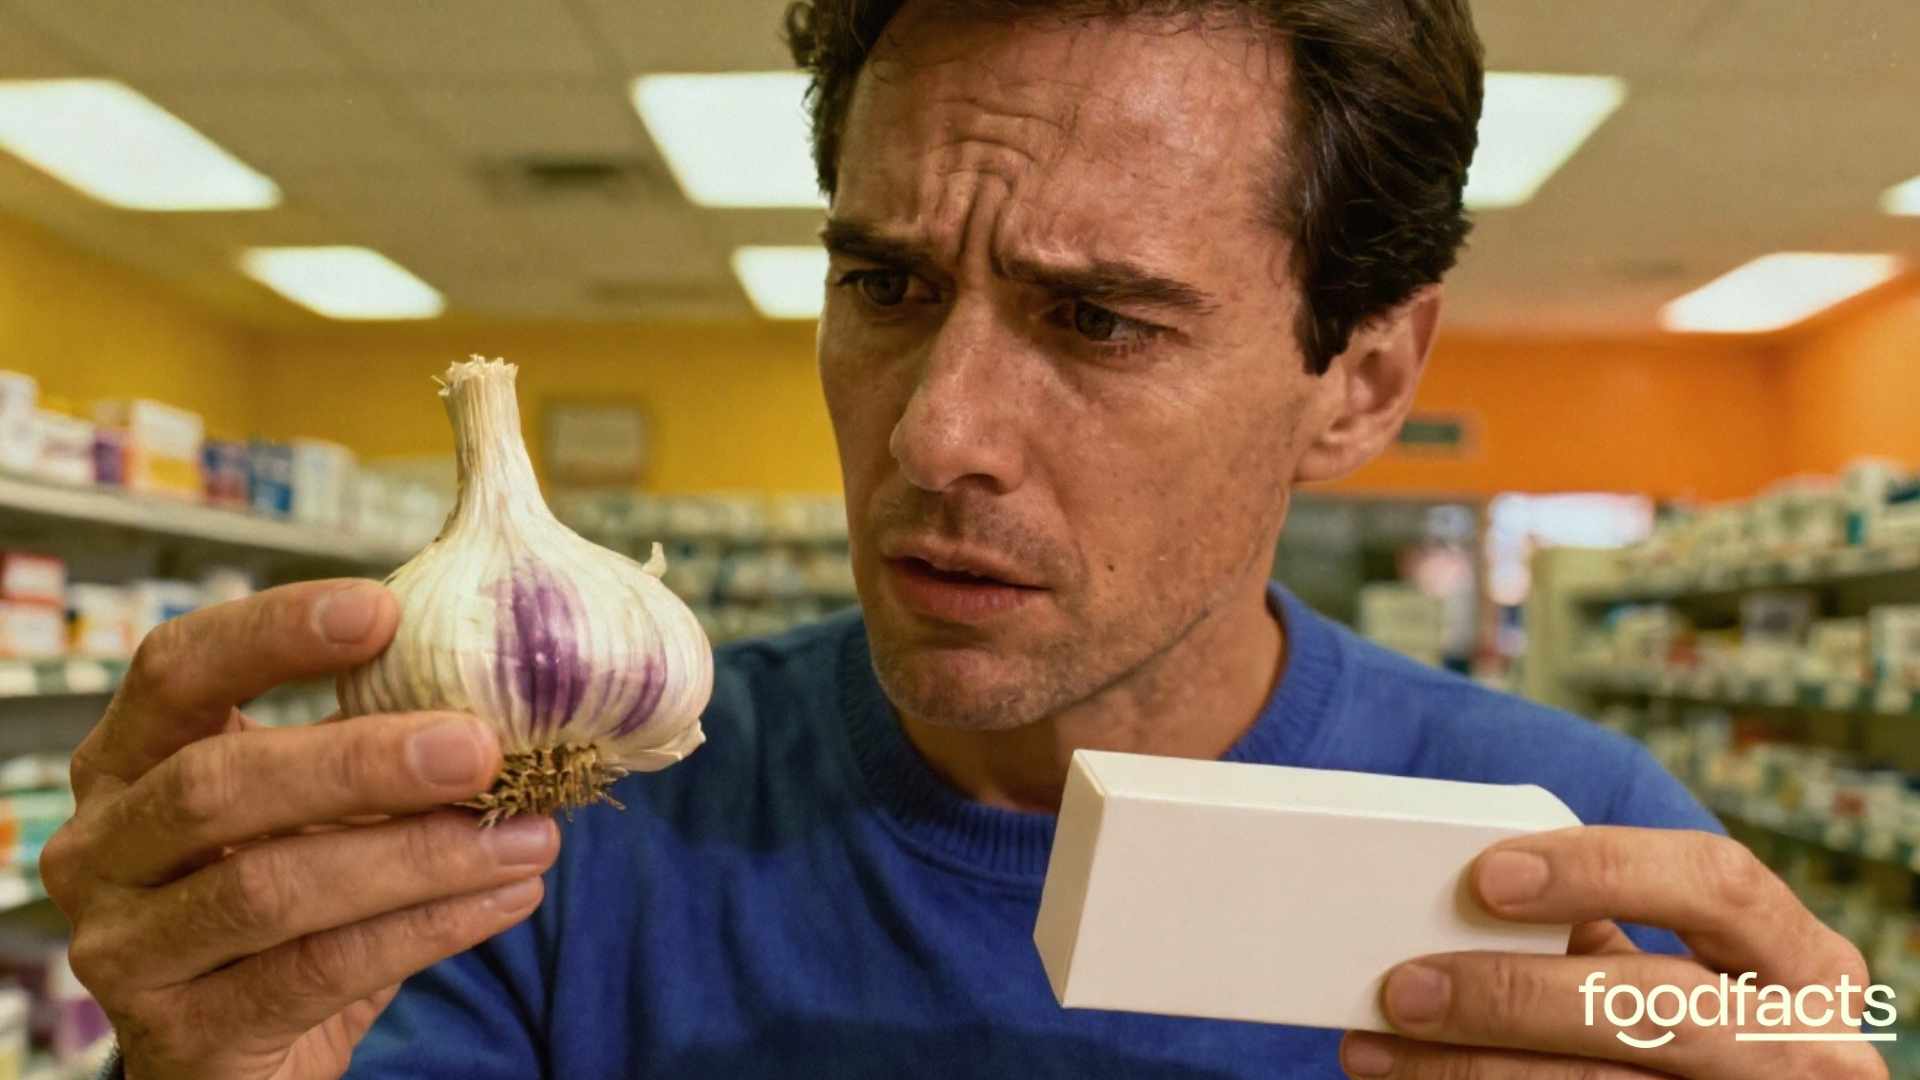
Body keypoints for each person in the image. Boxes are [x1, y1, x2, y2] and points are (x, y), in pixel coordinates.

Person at [46, 2, 1885, 1078]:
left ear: (1365, 376)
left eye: (1100, 321)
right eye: (885, 283)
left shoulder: (1575, 850)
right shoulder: (552, 829)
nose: (935, 435)